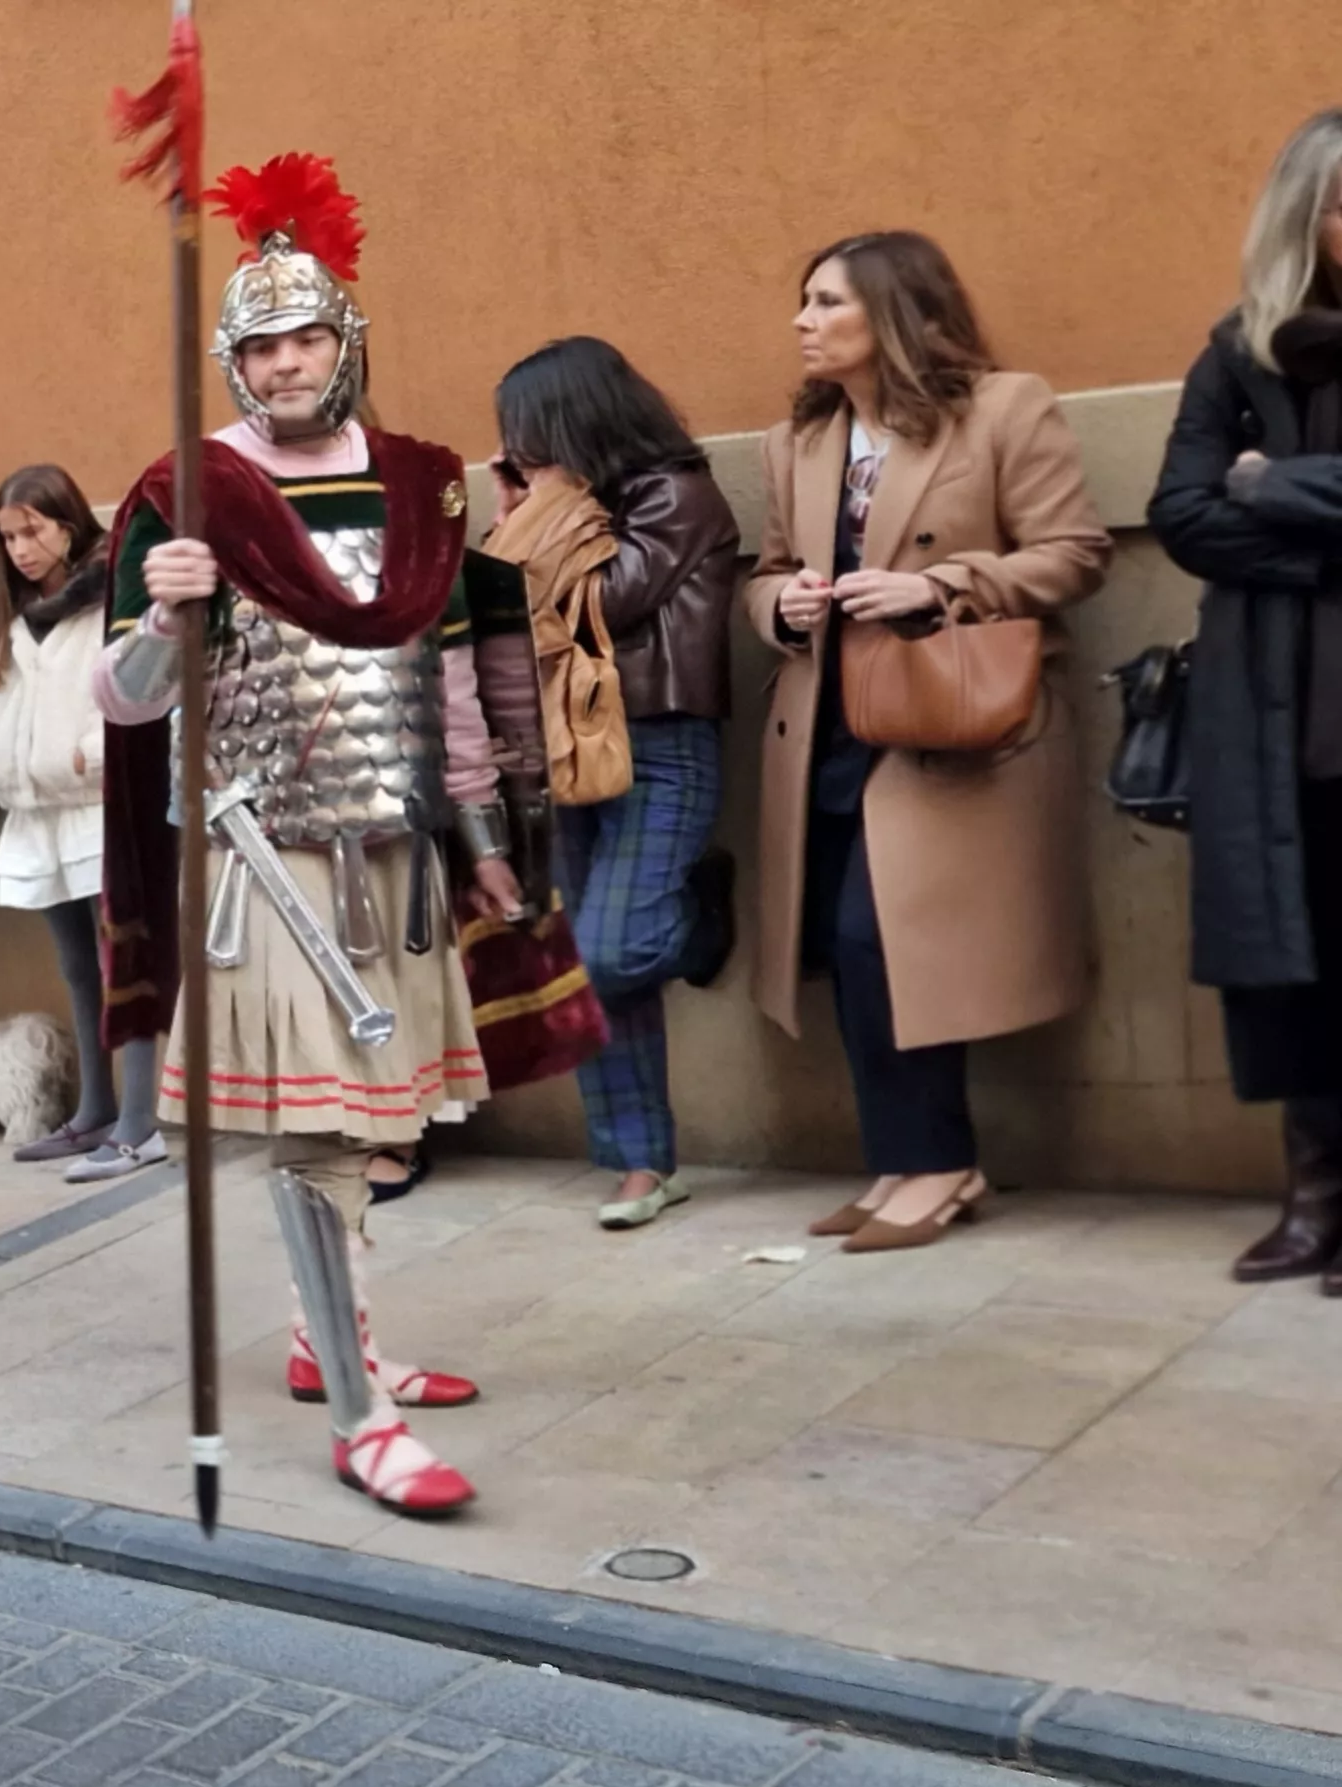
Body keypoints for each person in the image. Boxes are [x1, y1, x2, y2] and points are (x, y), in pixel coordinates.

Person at [97, 154, 533, 1517]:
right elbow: (116, 699)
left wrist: (485, 836)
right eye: (261, 343)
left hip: (395, 857)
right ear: (232, 361)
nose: (286, 363)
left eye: (307, 337)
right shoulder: (184, 491)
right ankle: (357, 1415)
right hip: (262, 857)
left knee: (377, 1113)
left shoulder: (421, 482)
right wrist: (166, 623)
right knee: (319, 1131)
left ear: (347, 342)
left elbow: (449, 676)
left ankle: (324, 1335)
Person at [742, 232, 1111, 1253]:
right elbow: (763, 571)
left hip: (952, 721)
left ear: (893, 313)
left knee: (885, 938)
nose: (802, 322)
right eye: (802, 300)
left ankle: (941, 1161)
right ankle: (901, 1159)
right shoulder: (800, 442)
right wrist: (784, 605)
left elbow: (1074, 553)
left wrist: (939, 585)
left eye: (825, 303)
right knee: (846, 947)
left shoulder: (1001, 408)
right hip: (829, 720)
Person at [486, 338, 744, 1230]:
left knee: (610, 952)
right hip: (571, 747)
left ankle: (700, 915)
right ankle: (642, 1162)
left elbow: (607, 601)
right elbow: (500, 605)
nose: (516, 449)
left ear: (571, 421)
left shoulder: (677, 498)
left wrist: (541, 511)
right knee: (588, 973)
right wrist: (519, 516)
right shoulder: (566, 506)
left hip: (663, 743)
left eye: (525, 432)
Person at [1159, 109, 1342, 1286]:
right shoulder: (1238, 353)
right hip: (1278, 721)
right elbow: (1179, 513)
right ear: (1305, 218)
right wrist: (1321, 540)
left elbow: (1228, 501)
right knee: (1295, 960)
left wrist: (1270, 482)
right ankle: (1317, 1199)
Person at [0, 464, 158, 1181]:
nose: (20, 548)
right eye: (8, 536)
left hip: (100, 809)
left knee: (123, 964)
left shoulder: (111, 599)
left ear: (68, 524)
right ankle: (94, 1111)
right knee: (76, 967)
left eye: (32, 530)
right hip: (35, 814)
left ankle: (141, 1120)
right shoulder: (6, 611)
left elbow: (142, 688)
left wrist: (85, 755)